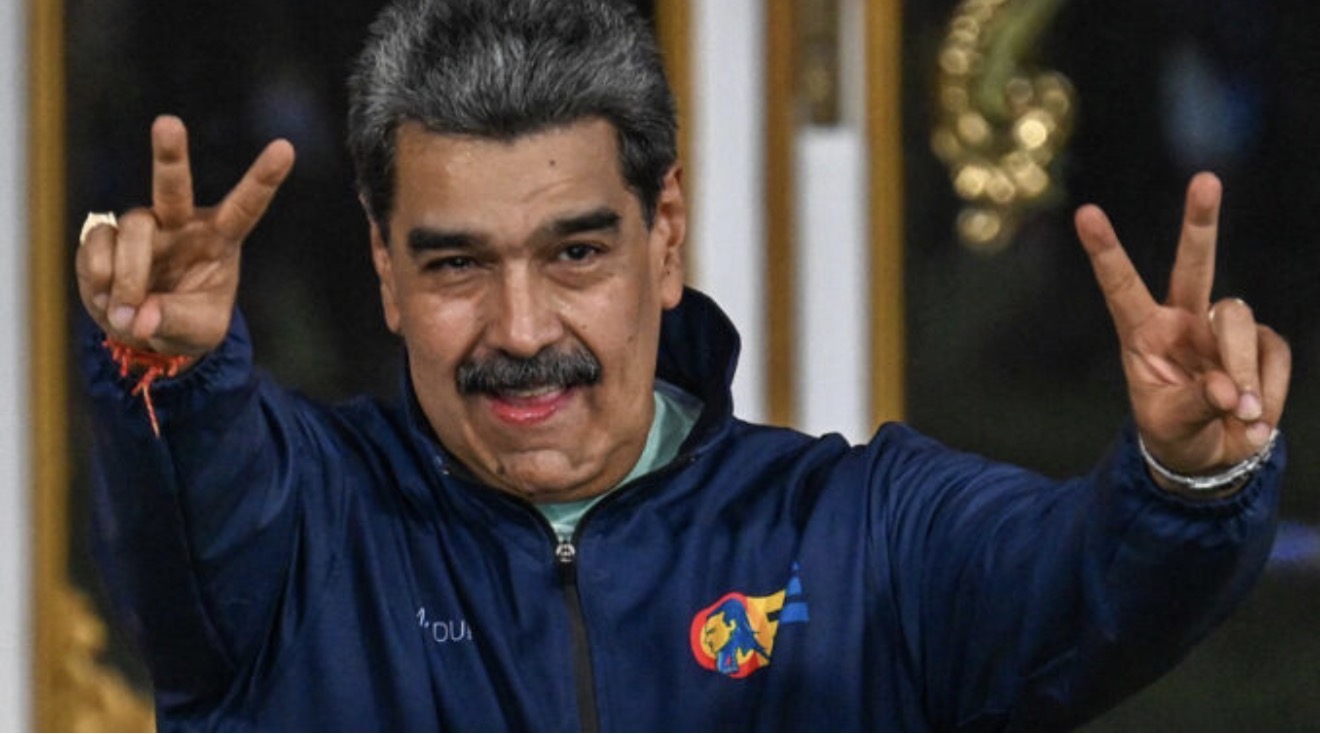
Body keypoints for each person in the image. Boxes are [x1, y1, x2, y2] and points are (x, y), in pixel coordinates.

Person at [76, 0, 1291, 730]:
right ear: (384, 270)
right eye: (456, 265)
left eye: (576, 252)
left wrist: (1185, 481)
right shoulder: (299, 535)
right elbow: (197, 492)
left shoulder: (857, 533)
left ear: (663, 236)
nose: (521, 329)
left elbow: (1089, 584)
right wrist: (168, 369)